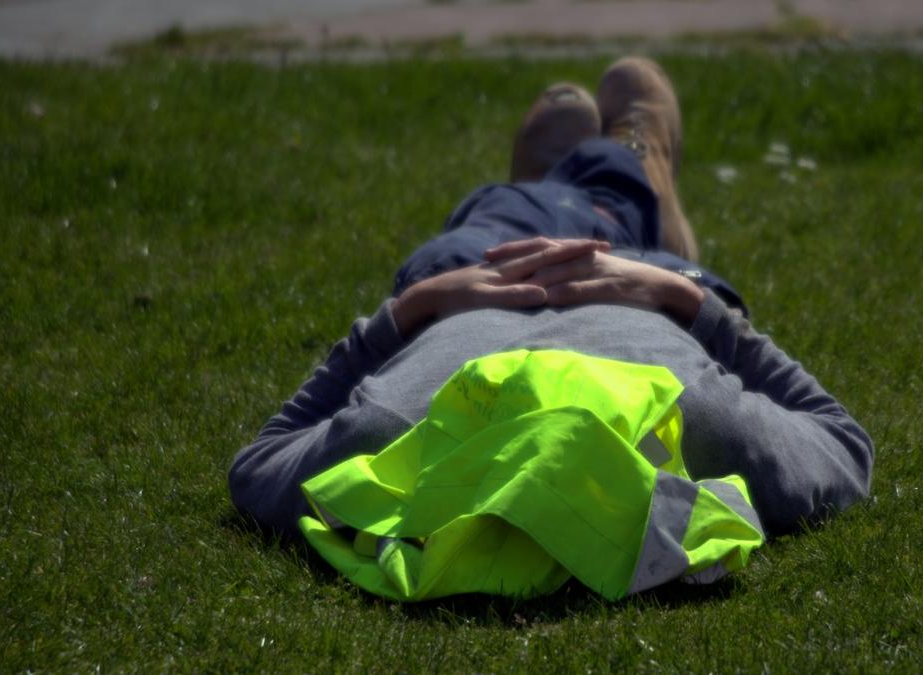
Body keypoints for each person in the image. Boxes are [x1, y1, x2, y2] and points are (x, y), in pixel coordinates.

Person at [229, 56, 873, 544]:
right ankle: (634, 180)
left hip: (472, 277)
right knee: (608, 205)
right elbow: (843, 446)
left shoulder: (393, 435)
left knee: (495, 217)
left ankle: (550, 182)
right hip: (635, 280)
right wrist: (682, 298)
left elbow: (259, 463)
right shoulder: (694, 421)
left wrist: (414, 308)